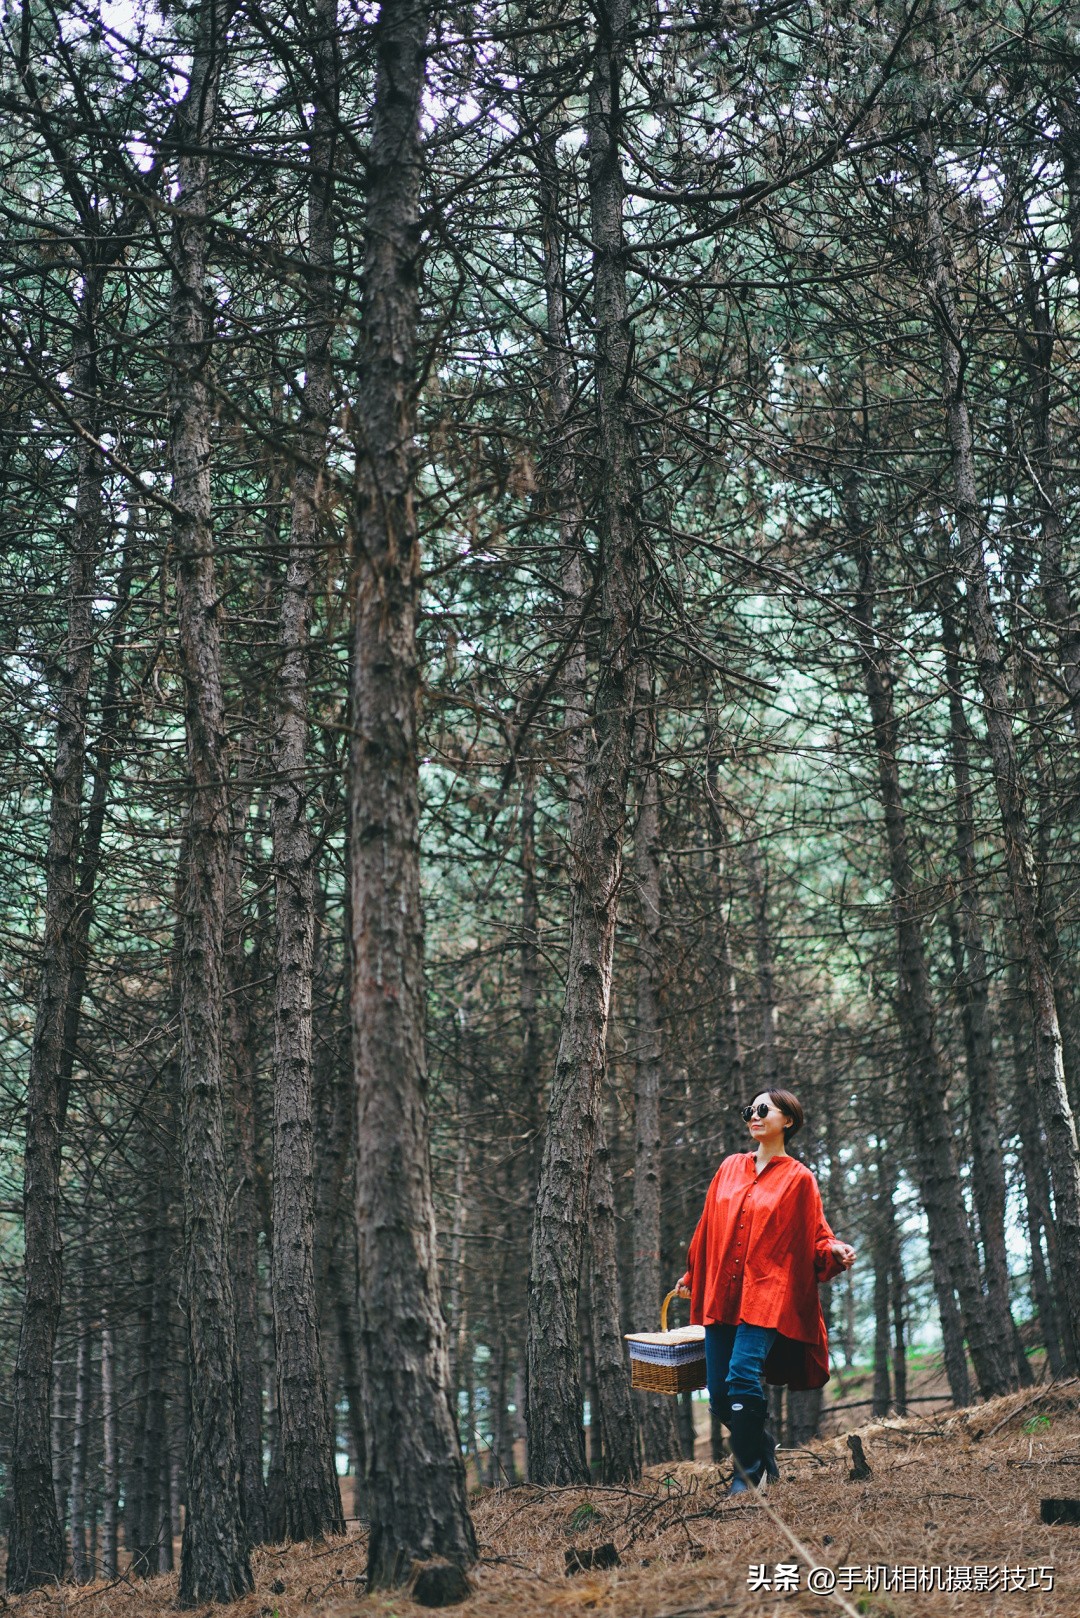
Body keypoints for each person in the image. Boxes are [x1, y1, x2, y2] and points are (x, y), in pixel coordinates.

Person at [674, 1088, 855, 1496]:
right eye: (748, 1111)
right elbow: (707, 1227)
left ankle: (747, 1478)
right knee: (719, 1393)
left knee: (742, 1376)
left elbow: (816, 1236)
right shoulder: (729, 1167)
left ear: (787, 1120)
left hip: (768, 1294)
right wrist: (692, 1274)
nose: (753, 1117)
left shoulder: (799, 1179)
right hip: (722, 1290)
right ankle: (763, 1446)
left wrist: (836, 1251)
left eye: (762, 1110)